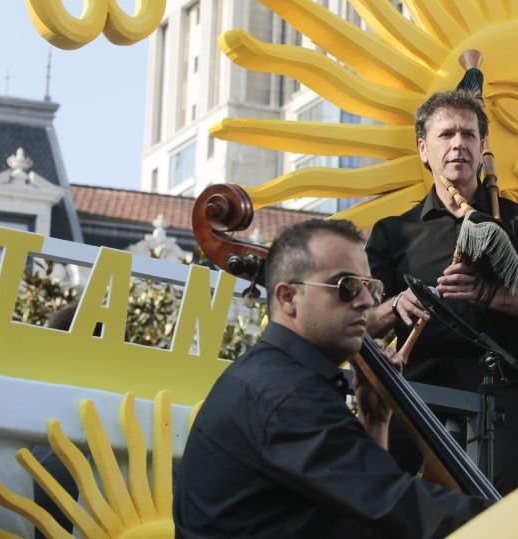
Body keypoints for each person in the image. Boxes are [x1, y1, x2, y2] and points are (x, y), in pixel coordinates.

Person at [174, 219, 488, 538]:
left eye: (372, 288)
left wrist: (375, 422)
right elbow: (398, 504)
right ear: (288, 298)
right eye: (346, 286)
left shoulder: (277, 376)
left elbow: (364, 515)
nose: (366, 301)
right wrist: (517, 520)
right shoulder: (286, 395)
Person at [365, 89, 518, 493]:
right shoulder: (394, 233)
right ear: (423, 149)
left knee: (494, 508)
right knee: (376, 490)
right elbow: (360, 326)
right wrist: (398, 304)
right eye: (446, 134)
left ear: (483, 148)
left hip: (501, 393)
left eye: (468, 134)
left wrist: (488, 294)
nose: (458, 144)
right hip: (415, 393)